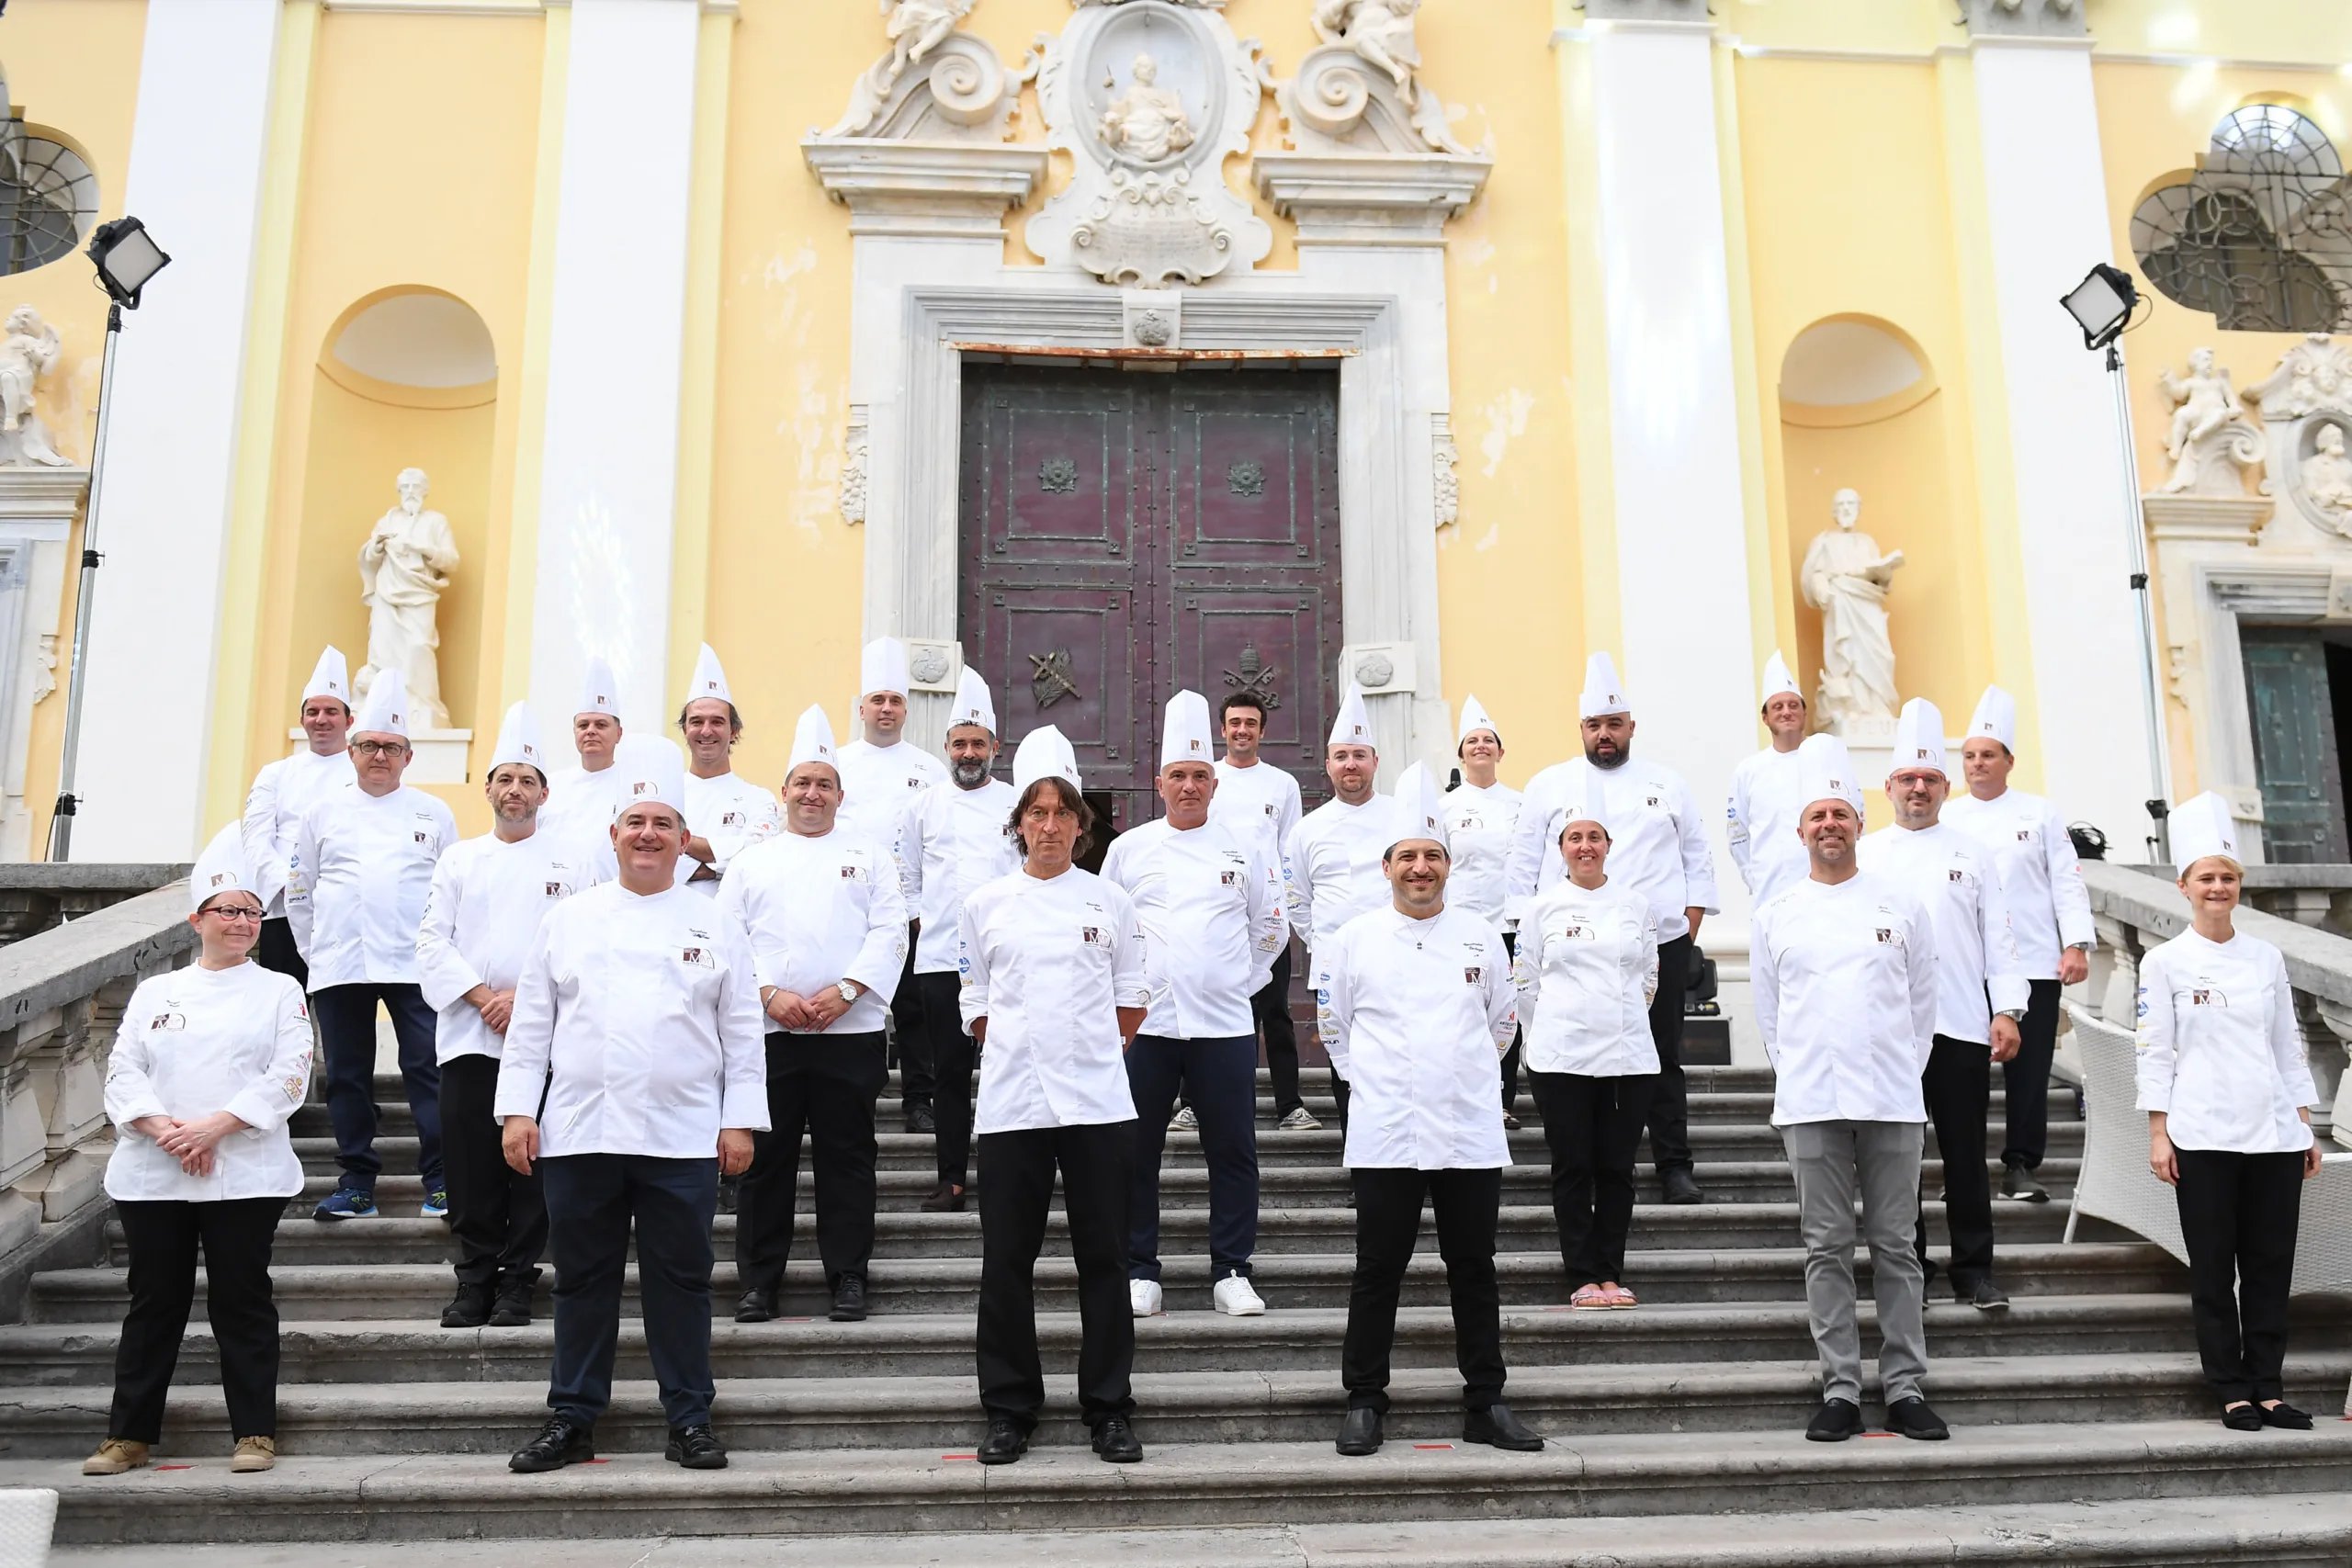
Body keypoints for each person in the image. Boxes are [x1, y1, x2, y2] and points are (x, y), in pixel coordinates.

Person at [496, 735, 767, 1474]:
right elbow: (532, 1024)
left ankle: (689, 1417)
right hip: (581, 1131)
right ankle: (573, 1415)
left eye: (663, 824)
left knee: (682, 1282)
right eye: (636, 822)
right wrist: (518, 1109)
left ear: (684, 837)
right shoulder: (570, 917)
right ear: (613, 832)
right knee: (582, 1280)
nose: (648, 835)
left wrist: (739, 1119)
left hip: (683, 1136)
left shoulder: (717, 921)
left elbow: (742, 1028)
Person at [1318, 764, 1538, 1458]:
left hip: (1468, 1127)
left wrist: (1459, 1077)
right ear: (1386, 866)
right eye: (1408, 856)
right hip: (1385, 1128)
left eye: (1433, 855)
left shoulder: (1480, 935)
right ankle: (1364, 1399)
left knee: (1474, 1266)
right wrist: (1377, 1083)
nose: (1421, 867)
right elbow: (1334, 1026)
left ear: (1449, 864)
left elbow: (1504, 1022)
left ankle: (1486, 1401)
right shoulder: (1354, 937)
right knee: (1377, 1268)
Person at [82, 829, 311, 1478]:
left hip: (245, 1170)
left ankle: (255, 1432)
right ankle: (128, 1436)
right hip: (155, 1171)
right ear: (197, 920)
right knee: (155, 1301)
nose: (242, 922)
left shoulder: (280, 990)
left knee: (242, 1299)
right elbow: (123, 1069)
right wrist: (168, 1132)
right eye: (228, 911)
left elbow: (290, 1073)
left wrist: (214, 1129)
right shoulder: (156, 992)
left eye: (252, 912)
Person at [958, 727, 1149, 1466]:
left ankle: (1109, 1406)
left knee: (1105, 1259)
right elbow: (974, 998)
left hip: (1098, 1105)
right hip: (1012, 1105)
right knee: (1007, 1260)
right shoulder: (985, 903)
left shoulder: (1110, 901)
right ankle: (1010, 1407)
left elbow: (1132, 995)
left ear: (1080, 823)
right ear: (1018, 825)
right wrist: (1017, 1045)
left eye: (1061, 812)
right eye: (1035, 812)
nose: (1048, 825)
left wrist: (1088, 1050)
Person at [1751, 734, 1945, 1444]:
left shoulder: (1901, 905)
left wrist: (1899, 1068)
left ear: (1860, 823)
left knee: (1896, 1245)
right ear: (1800, 830)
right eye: (1818, 816)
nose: (1829, 824)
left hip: (1892, 1098)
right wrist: (1804, 1070)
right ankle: (1839, 1386)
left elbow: (1923, 1003)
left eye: (1840, 813)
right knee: (1826, 1247)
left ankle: (1905, 1385)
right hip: (1811, 1101)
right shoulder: (1776, 912)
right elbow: (1771, 1016)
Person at [2136, 792, 2325, 1433]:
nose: (2218, 887)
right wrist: (2159, 1132)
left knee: (2271, 1268)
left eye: (2227, 877)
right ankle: (2230, 1388)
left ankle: (2268, 1386)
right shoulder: (2163, 962)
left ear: (2238, 885)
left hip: (2273, 1133)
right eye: (2207, 878)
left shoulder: (2266, 957)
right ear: (2184, 886)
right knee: (2215, 1270)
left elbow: (2286, 1044)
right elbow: (2154, 1050)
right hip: (2201, 1134)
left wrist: (2304, 1124)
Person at [1507, 653, 1718, 1205]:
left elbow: (1697, 854)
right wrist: (1525, 932)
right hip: (1570, 948)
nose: (1605, 734)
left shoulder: (1667, 783)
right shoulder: (1549, 784)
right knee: (1573, 1059)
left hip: (1657, 943)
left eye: (1614, 724)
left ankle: (1673, 1164)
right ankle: (1578, 1163)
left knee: (1662, 1054)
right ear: (1581, 728)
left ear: (1631, 727)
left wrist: (1688, 925)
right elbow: (1522, 863)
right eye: (1595, 725)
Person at [720, 705, 907, 1326]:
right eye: (802, 782)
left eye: (824, 783)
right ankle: (759, 1282)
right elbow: (727, 937)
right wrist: (766, 992)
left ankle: (848, 1275)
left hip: (848, 1033)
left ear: (840, 795)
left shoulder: (870, 855)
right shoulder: (751, 861)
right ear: (784, 791)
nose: (812, 793)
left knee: (847, 1160)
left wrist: (848, 990)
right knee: (765, 1163)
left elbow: (891, 930)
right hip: (768, 1034)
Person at [1102, 691, 1285, 1319]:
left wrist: (1235, 981)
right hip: (1146, 1026)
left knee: (1233, 1151)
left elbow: (1271, 926)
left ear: (1215, 783)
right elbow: (1107, 929)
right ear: (1160, 784)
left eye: (1199, 776)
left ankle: (1232, 1269)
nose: (1189, 786)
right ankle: (1139, 1269)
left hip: (1225, 1026)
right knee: (1136, 1150)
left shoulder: (1245, 845)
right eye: (1177, 775)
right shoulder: (1129, 849)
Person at [415, 703, 597, 1330]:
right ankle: (474, 1278)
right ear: (488, 789)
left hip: (546, 1039)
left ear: (545, 792)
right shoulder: (458, 859)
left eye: (527, 780)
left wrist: (524, 999)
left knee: (532, 1164)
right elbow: (431, 942)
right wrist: (482, 997)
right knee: (471, 1166)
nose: (515, 789)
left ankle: (519, 1279)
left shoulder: (575, 861)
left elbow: (586, 943)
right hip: (470, 1035)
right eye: (505, 779)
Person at [1859, 699, 2030, 1314]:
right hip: (1888, 1031)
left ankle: (1974, 1270)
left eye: (1930, 778)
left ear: (1944, 787)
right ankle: (1911, 1269)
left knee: (1965, 1156)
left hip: (1960, 1024)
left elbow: (1999, 937)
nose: (1919, 788)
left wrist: (2007, 1009)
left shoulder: (1971, 852)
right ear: (1888, 787)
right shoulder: (1866, 855)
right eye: (1908, 778)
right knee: (1896, 1159)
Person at [288, 670, 458, 1222]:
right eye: (369, 746)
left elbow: (453, 894)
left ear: (408, 756)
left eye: (391, 747)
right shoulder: (321, 813)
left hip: (416, 966)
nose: (379, 756)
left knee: (429, 1068)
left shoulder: (434, 812)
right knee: (346, 1076)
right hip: (341, 964)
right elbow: (300, 891)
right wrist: (317, 952)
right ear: (352, 752)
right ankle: (356, 1182)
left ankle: (441, 1180)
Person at [1942, 684, 2096, 1203]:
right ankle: (1964, 1171)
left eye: (1988, 755)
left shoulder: (2040, 813)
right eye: (1970, 756)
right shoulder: (1948, 818)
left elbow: (2066, 881)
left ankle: (2022, 1165)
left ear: (2009, 761)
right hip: (1968, 965)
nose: (1977, 764)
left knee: (2028, 1071)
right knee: (1963, 1071)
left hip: (2034, 960)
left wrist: (2076, 944)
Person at [1512, 789, 1658, 1311]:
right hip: (1561, 1057)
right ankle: (1581, 1274)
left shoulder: (1636, 905)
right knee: (1573, 1167)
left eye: (1595, 837)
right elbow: (1525, 981)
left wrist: (1618, 1019)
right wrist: (1550, 1031)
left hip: (1627, 1056)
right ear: (1561, 849)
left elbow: (1649, 978)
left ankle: (1610, 1272)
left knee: (1617, 1169)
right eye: (1575, 838)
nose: (1585, 846)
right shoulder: (1540, 908)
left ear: (1608, 845)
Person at [897, 669, 1018, 1209]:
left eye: (978, 744)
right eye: (960, 744)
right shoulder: (922, 806)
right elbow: (906, 874)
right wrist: (919, 919)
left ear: (995, 747)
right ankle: (951, 1179)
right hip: (942, 959)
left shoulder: (1016, 803)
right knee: (948, 1073)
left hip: (1008, 960)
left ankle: (1002, 1175)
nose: (969, 753)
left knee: (1006, 1069)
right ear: (946, 748)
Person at [835, 638, 949, 1134]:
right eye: (877, 699)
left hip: (909, 908)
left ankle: (919, 1099)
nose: (886, 708)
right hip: (846, 905)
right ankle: (843, 1095)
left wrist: (924, 906)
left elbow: (940, 842)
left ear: (906, 709)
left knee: (913, 1008)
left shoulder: (929, 769)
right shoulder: (836, 764)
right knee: (847, 999)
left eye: (895, 700)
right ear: (861, 708)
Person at [1285, 686, 1404, 1134]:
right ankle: (1361, 1152)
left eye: (1359, 755)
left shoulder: (1402, 816)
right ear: (1328, 765)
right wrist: (1325, 941)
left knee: (1398, 1057)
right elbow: (1297, 898)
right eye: (1341, 756)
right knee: (1346, 1065)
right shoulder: (1307, 829)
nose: (1350, 764)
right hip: (1334, 965)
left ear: (1375, 761)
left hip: (1398, 959)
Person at [1209, 689, 1309, 1130]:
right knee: (1211, 1005)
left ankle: (1290, 1105)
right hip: (1217, 913)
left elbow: (1290, 849)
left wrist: (1285, 907)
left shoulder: (1282, 784)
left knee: (1276, 1011)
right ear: (1223, 729)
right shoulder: (1206, 777)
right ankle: (1198, 1102)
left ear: (1262, 731)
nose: (1242, 730)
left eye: (1250, 723)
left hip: (1268, 915)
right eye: (1235, 722)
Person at [241, 646, 356, 986]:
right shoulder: (275, 774)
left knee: (341, 1009)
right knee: (285, 1002)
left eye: (331, 711)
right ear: (302, 718)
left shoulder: (364, 774)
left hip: (345, 914)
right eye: (313, 711)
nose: (321, 719)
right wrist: (293, 889)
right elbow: (255, 840)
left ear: (349, 721)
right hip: (282, 912)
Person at [1443, 694, 1526, 1126]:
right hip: (1460, 924)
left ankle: (1502, 1100)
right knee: (1463, 1009)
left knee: (1506, 1012)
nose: (1480, 746)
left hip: (1511, 925)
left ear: (1500, 751)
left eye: (1488, 740)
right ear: (1461, 753)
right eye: (1472, 741)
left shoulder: (1523, 804)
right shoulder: (1444, 808)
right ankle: (1462, 1096)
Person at [675, 643, 781, 895]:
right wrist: (723, 863)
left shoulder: (758, 799)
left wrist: (677, 842)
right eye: (697, 721)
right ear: (685, 730)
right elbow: (646, 858)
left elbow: (760, 856)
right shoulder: (665, 795)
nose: (706, 731)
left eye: (717, 722)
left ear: (733, 731)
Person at [1725, 651, 1811, 914]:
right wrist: (1755, 878)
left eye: (1793, 705)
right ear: (1765, 717)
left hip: (1828, 890)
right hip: (1771, 896)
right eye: (1778, 706)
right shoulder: (1748, 771)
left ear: (1804, 712)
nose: (1786, 712)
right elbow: (1737, 833)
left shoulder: (1825, 757)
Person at [535, 655, 627, 856]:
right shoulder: (550, 787)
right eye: (583, 725)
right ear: (574, 732)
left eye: (601, 725)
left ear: (619, 734)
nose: (590, 731)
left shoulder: (631, 785)